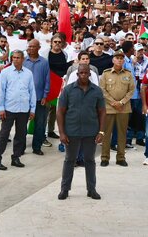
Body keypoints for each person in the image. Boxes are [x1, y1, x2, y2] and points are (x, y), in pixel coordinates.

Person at [57, 64, 106, 200]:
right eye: (81, 73)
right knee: (69, 160)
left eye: (86, 73)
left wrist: (101, 132)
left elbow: (102, 112)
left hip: (91, 131)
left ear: (90, 74)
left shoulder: (97, 91)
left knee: (90, 160)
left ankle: (91, 189)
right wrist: (62, 132)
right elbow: (60, 112)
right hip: (71, 131)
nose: (83, 75)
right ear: (77, 74)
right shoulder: (67, 90)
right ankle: (65, 189)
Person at [0, 50, 36, 170]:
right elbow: (1, 91)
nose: (16, 60)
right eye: (14, 58)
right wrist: (1, 108)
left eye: (18, 58)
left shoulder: (28, 73)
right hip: (9, 109)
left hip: (24, 109)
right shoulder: (5, 72)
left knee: (21, 134)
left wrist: (32, 109)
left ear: (23, 59)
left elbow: (32, 91)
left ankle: (16, 157)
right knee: (4, 134)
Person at [99, 50, 135, 167]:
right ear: (113, 60)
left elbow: (131, 90)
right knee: (106, 133)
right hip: (109, 108)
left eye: (121, 58)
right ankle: (104, 157)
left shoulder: (128, 74)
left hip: (123, 108)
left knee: (122, 133)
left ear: (123, 60)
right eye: (117, 58)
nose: (119, 60)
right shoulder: (106, 74)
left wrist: (122, 102)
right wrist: (113, 102)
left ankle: (121, 157)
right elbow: (102, 90)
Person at [24, 39, 51, 156]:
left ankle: (37, 147)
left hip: (40, 98)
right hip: (24, 99)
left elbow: (47, 80)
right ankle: (21, 147)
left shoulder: (44, 62)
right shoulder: (23, 61)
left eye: (33, 47)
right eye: (29, 47)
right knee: (22, 124)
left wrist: (45, 95)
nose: (30, 49)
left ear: (38, 48)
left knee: (40, 124)